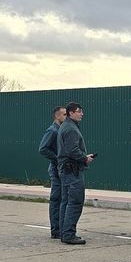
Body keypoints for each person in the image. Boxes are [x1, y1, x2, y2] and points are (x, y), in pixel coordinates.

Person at [55, 102, 94, 245]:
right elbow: (72, 150)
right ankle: (69, 234)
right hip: (72, 171)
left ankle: (64, 232)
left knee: (66, 201)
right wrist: (85, 158)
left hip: (67, 169)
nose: (82, 114)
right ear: (71, 113)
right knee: (75, 201)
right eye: (79, 111)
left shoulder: (66, 126)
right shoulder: (71, 129)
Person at [37, 106, 66, 238]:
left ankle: (60, 227)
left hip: (60, 168)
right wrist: (57, 159)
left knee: (61, 198)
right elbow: (43, 149)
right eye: (64, 115)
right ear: (57, 116)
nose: (66, 117)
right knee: (56, 199)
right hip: (55, 169)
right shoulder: (53, 131)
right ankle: (56, 229)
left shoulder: (60, 130)